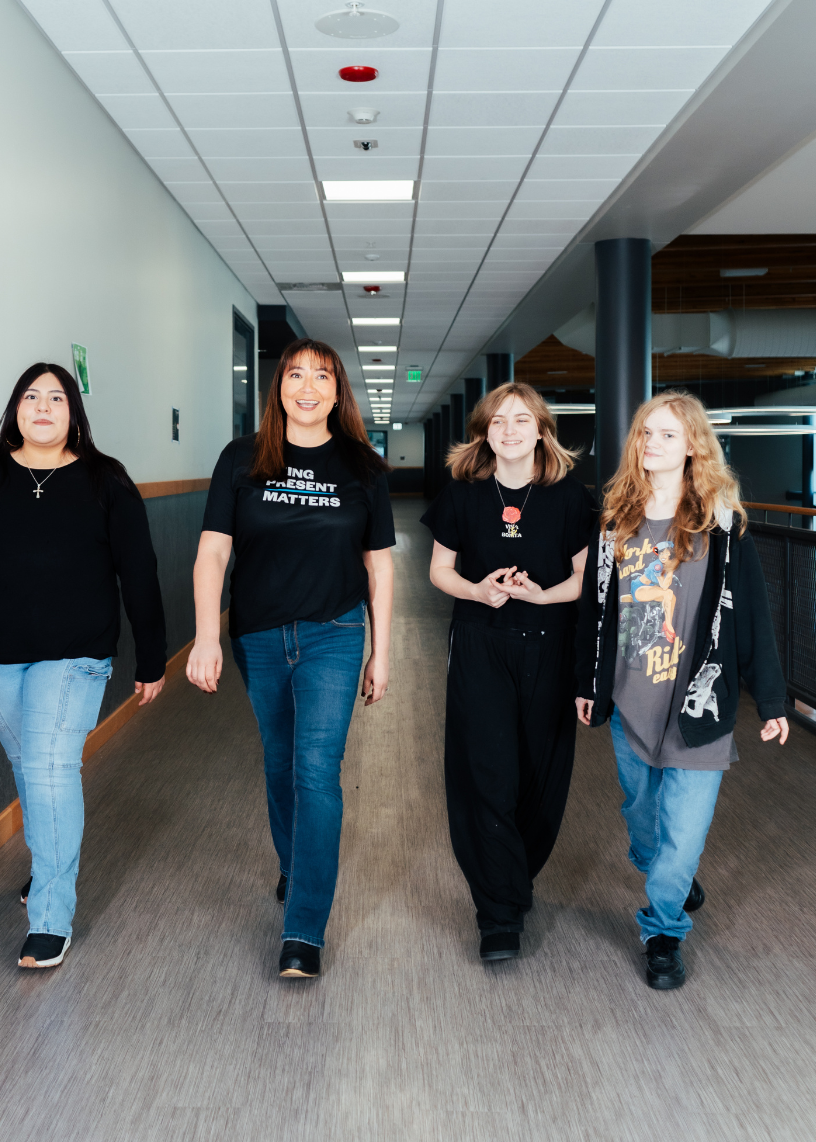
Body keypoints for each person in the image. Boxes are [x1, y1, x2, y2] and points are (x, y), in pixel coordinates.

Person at [0, 363, 167, 970]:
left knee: (49, 766)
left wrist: (152, 651)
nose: (42, 406)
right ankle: (46, 872)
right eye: (31, 396)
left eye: (56, 397)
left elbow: (138, 570)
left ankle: (50, 917)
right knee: (30, 766)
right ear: (15, 409)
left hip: (77, 653)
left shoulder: (105, 480)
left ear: (74, 412)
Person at [187, 339, 395, 979]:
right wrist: (204, 636)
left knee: (314, 769)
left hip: (334, 632)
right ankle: (293, 862)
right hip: (259, 637)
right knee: (279, 764)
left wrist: (381, 653)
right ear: (279, 387)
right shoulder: (242, 459)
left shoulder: (363, 466)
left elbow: (379, 566)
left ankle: (303, 928)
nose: (308, 386)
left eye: (323, 376)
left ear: (339, 391)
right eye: (296, 375)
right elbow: (213, 554)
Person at [575, 391, 788, 990]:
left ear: (694, 444)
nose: (653, 444)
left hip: (701, 705)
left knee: (683, 831)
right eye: (646, 434)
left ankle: (662, 930)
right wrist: (590, 684)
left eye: (668, 434)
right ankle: (670, 872)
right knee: (644, 820)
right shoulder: (616, 522)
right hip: (630, 702)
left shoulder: (724, 528)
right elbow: (597, 614)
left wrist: (772, 702)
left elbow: (753, 618)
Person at [422, 383, 597, 961]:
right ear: (485, 431)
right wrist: (477, 589)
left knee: (541, 777)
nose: (510, 429)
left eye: (523, 420)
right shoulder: (463, 493)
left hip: (550, 646)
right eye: (499, 421)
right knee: (486, 771)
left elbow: (583, 579)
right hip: (481, 644)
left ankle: (513, 873)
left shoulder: (571, 498)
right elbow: (439, 570)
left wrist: (543, 597)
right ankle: (498, 912)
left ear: (542, 430)